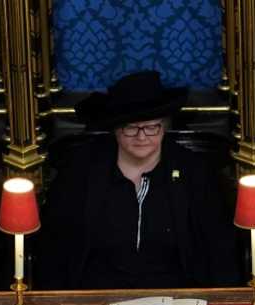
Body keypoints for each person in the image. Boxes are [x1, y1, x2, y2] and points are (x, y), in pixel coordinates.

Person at [37, 70, 237, 290]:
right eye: (131, 128)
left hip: (177, 297)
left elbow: (219, 247)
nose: (142, 137)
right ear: (116, 129)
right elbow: (54, 246)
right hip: (97, 295)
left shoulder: (194, 170)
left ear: (164, 126)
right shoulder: (81, 171)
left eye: (151, 127)